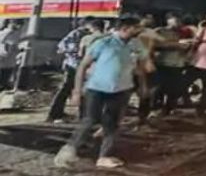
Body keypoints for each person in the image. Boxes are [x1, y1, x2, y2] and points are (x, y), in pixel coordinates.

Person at [54, 17, 148, 169]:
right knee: (90, 120)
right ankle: (68, 151)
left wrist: (143, 86)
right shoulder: (104, 43)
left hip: (121, 89)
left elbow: (141, 68)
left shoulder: (136, 44)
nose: (139, 30)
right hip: (97, 88)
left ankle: (104, 156)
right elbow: (83, 66)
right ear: (125, 28)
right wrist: (77, 91)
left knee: (112, 124)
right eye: (136, 27)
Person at [46, 18, 94, 122]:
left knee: (69, 89)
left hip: (74, 65)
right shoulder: (78, 34)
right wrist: (77, 55)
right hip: (75, 66)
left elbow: (61, 47)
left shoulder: (80, 34)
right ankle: (56, 113)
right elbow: (64, 48)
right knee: (70, 89)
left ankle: (57, 113)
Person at [154, 13, 190, 115]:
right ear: (168, 20)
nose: (178, 23)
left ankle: (169, 109)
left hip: (177, 64)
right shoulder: (159, 31)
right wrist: (175, 45)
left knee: (174, 89)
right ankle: (157, 109)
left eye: (179, 20)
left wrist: (186, 47)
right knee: (159, 88)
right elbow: (154, 45)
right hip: (162, 64)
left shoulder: (180, 32)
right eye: (175, 20)